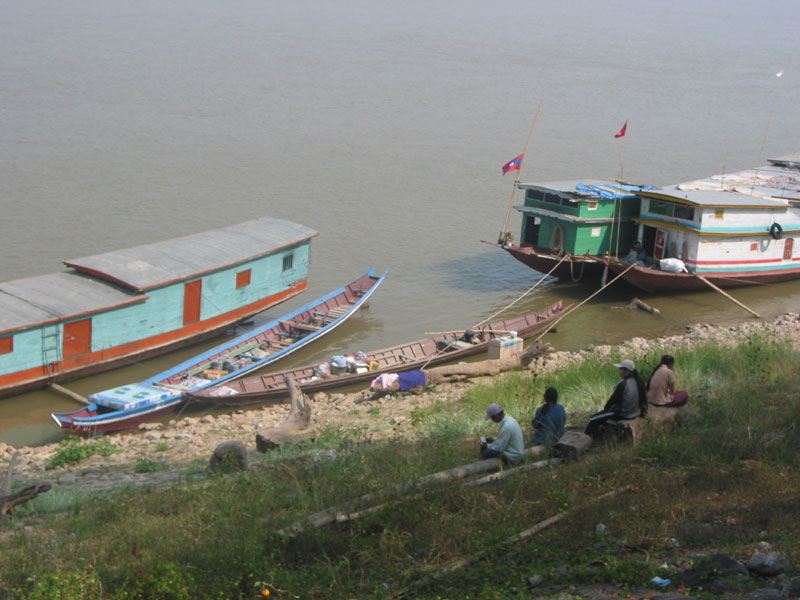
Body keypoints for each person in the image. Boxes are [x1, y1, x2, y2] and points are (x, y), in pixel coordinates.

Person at [583, 359, 647, 437]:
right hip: (635, 412)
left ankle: (583, 438)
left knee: (592, 420)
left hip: (625, 413)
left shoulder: (623, 384)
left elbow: (612, 400)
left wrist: (606, 409)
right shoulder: (638, 382)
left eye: (621, 370)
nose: (620, 372)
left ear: (627, 371)